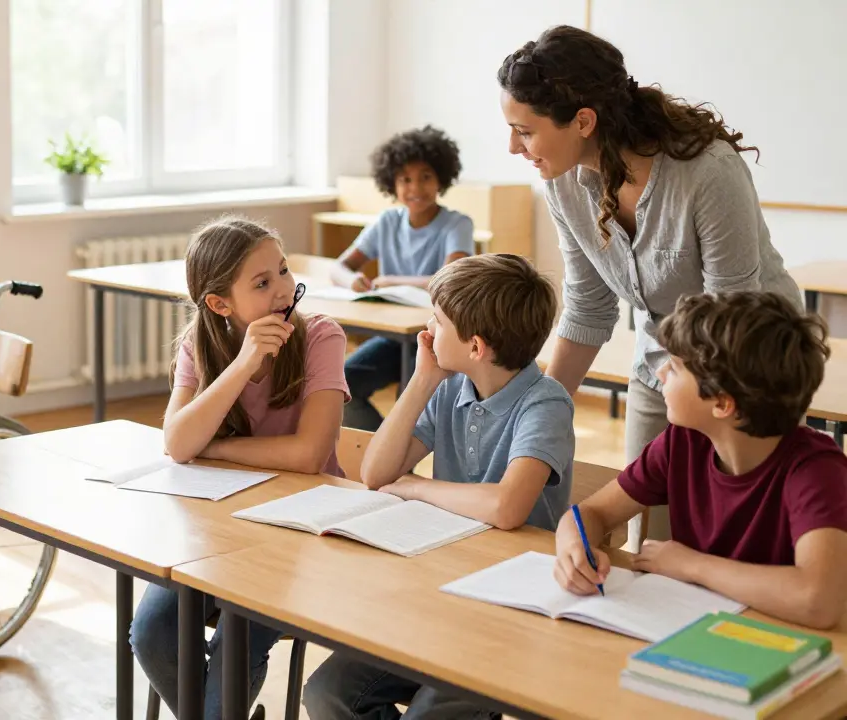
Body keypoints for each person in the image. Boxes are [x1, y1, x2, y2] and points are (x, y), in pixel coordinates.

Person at [498, 25, 802, 543]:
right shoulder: (565, 184)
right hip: (663, 355)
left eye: (525, 131)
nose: (512, 147)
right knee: (649, 534)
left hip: (751, 360)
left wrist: (689, 405)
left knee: (730, 534)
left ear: (584, 121)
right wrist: (539, 410)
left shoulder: (706, 172)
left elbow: (731, 313)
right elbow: (589, 309)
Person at [304, 253, 573, 720]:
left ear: (475, 347)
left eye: (439, 321)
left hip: (508, 613)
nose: (427, 329)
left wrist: (417, 488)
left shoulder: (545, 404)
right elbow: (377, 474)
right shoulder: (451, 385)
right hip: (438, 591)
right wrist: (424, 378)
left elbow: (508, 507)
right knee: (326, 693)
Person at [133, 216, 350, 718]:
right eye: (261, 282)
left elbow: (308, 455)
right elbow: (178, 441)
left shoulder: (321, 337)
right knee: (151, 632)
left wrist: (214, 446)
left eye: (282, 271)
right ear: (219, 304)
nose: (283, 289)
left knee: (237, 638)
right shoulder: (199, 345)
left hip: (302, 529)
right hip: (218, 527)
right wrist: (242, 365)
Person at [556, 291, 847, 631]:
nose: (662, 373)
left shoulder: (817, 470)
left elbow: (817, 601)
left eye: (676, 367)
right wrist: (574, 547)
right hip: (695, 627)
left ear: (722, 404)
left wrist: (692, 565)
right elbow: (592, 513)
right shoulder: (683, 442)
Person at [331, 126, 475, 431]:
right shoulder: (387, 221)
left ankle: (398, 462)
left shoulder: (457, 224)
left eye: (425, 176)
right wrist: (352, 279)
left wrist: (393, 280)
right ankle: (383, 453)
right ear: (391, 183)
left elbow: (451, 278)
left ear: (441, 179)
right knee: (342, 387)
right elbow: (339, 267)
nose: (415, 188)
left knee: (412, 402)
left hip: (438, 340)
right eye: (405, 179)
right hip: (394, 336)